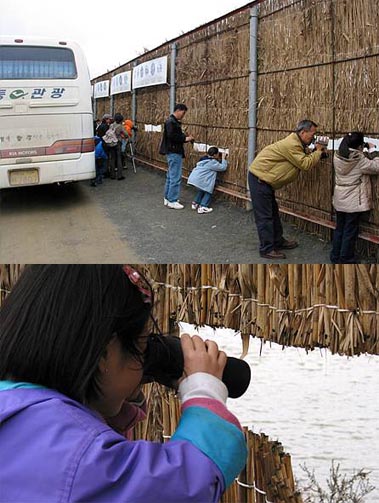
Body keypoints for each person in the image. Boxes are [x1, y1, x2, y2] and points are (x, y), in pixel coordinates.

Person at [0, 265, 247, 502]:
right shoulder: (81, 457)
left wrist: (103, 404)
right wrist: (204, 390)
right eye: (141, 347)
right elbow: (183, 486)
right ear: (105, 355)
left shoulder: (15, 415)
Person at [248, 119, 327, 260]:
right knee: (265, 217)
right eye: (312, 134)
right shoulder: (292, 144)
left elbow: (304, 157)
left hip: (265, 181)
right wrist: (319, 150)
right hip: (260, 180)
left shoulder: (297, 144)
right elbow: (305, 164)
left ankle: (278, 241)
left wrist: (317, 152)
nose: (313, 138)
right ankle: (266, 249)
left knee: (273, 213)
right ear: (303, 132)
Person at [330, 132, 379, 263]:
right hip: (352, 202)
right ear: (359, 146)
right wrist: (373, 150)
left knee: (339, 228)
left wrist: (361, 150)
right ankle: (346, 258)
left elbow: (353, 156)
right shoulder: (358, 159)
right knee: (350, 231)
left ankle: (335, 256)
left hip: (340, 199)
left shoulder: (338, 155)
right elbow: (376, 167)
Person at [159, 104, 195, 210]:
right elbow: (172, 136)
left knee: (170, 176)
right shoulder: (171, 122)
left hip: (172, 151)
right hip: (174, 151)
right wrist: (186, 138)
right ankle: (172, 200)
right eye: (183, 113)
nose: (183, 115)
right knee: (175, 177)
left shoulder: (171, 121)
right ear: (178, 110)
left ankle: (168, 197)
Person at [188, 147, 228, 214]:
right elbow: (223, 168)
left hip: (194, 178)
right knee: (208, 190)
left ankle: (195, 203)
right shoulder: (212, 162)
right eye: (218, 154)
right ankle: (203, 206)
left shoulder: (203, 159)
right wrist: (224, 159)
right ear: (215, 155)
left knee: (202, 189)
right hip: (200, 180)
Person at [108, 113, 128, 180]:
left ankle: (112, 175)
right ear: (121, 120)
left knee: (112, 159)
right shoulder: (120, 126)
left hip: (111, 143)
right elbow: (126, 134)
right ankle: (119, 176)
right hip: (117, 143)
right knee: (119, 159)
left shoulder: (111, 125)